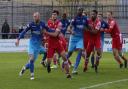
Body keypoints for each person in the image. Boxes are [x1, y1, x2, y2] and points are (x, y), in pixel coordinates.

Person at [15, 12, 47, 80]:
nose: (34, 18)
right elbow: (24, 31)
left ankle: (24, 68)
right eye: (34, 16)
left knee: (32, 62)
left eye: (35, 16)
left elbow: (48, 30)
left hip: (38, 46)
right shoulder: (31, 24)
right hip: (31, 44)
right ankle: (32, 75)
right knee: (31, 60)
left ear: (39, 17)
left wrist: (56, 32)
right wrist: (18, 39)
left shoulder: (43, 24)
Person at [45, 10, 71, 78]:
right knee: (48, 61)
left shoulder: (59, 23)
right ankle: (48, 66)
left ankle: (68, 74)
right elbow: (46, 31)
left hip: (57, 43)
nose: (54, 16)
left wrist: (47, 32)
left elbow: (55, 34)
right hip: (50, 44)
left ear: (57, 16)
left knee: (65, 58)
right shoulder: (48, 22)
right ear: (51, 15)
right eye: (53, 14)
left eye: (55, 14)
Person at [67, 7, 89, 74]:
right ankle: (64, 60)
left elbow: (87, 27)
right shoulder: (75, 19)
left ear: (82, 11)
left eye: (81, 10)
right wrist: (71, 31)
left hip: (80, 38)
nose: (79, 11)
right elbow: (69, 28)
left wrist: (88, 29)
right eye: (78, 10)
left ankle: (75, 69)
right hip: (73, 38)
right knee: (70, 53)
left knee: (80, 51)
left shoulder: (85, 19)